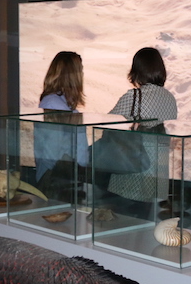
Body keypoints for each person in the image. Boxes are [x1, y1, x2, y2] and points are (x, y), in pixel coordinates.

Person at [100, 47, 177, 219]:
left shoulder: (134, 97)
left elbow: (107, 122)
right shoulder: (169, 97)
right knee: (148, 218)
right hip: (159, 169)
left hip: (135, 166)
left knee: (126, 219)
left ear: (137, 70)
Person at [34, 51, 89, 193]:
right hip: (57, 181)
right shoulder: (54, 105)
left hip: (63, 178)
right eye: (80, 70)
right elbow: (51, 153)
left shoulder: (57, 103)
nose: (82, 75)